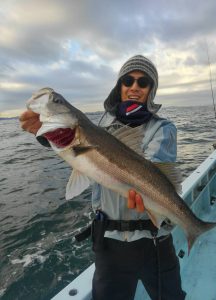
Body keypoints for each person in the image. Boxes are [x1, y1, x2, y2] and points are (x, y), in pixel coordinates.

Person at [20, 55, 186, 300]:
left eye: (143, 82)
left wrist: (150, 199)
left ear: (151, 90)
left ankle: (194, 228)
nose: (134, 87)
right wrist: (49, 137)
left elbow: (155, 171)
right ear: (119, 86)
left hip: (154, 241)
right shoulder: (101, 125)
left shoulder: (162, 128)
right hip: (109, 243)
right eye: (128, 80)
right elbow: (86, 159)